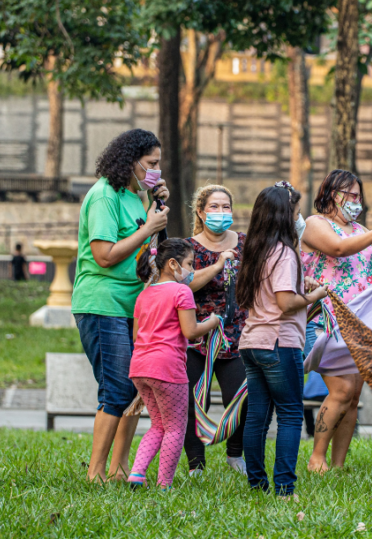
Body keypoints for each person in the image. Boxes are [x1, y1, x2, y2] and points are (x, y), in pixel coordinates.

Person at [71, 128, 170, 482]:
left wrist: (156, 211)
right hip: (102, 302)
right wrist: (147, 229)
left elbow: (148, 256)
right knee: (116, 387)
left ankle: (118, 469)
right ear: (130, 161)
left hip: (133, 305)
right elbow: (104, 255)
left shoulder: (134, 197)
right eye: (151, 164)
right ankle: (95, 472)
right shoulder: (104, 196)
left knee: (137, 387)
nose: (156, 170)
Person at [237, 184, 328, 496]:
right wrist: (315, 294)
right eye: (297, 212)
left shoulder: (255, 250)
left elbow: (268, 293)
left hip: (252, 343)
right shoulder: (285, 252)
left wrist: (303, 284)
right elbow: (286, 302)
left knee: (258, 416)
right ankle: (285, 487)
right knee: (290, 414)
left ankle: (256, 484)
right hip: (279, 342)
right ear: (284, 215)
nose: (299, 218)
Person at [301, 170, 372, 473]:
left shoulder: (359, 228)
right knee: (340, 391)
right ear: (330, 193)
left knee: (353, 396)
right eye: (348, 194)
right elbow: (337, 249)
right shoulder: (314, 224)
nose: (355, 200)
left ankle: (337, 464)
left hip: (359, 325)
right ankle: (316, 458)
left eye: (358, 195)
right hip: (324, 320)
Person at [127, 239, 220, 490]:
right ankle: (164, 484)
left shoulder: (144, 295)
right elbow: (191, 331)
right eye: (189, 264)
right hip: (167, 369)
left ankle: (137, 473)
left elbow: (136, 335)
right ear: (172, 264)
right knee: (175, 428)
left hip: (140, 368)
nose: (191, 270)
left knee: (158, 425)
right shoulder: (181, 292)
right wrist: (212, 322)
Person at [183, 184, 247, 478]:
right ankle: (196, 464)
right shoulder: (188, 247)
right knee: (194, 401)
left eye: (225, 207)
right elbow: (185, 285)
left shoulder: (245, 243)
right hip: (196, 334)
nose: (221, 213)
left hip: (237, 335)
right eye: (214, 207)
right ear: (200, 211)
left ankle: (236, 455)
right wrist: (220, 263)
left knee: (241, 398)